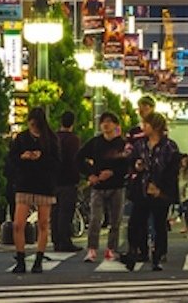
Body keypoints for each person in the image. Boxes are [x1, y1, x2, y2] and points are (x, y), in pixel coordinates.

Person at [123, 110, 180, 270]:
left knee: (159, 224)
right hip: (141, 189)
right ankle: (134, 251)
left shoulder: (169, 146)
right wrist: (136, 166)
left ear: (155, 126)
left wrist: (160, 188)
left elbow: (172, 170)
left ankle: (158, 255)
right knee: (135, 222)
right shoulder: (140, 144)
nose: (143, 127)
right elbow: (132, 161)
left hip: (160, 191)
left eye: (146, 124)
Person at [8, 107, 60, 273]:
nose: (32, 127)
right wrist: (23, 157)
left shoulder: (51, 139)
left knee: (43, 223)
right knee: (18, 224)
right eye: (30, 124)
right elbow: (11, 159)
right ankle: (21, 258)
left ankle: (38, 259)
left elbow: (57, 162)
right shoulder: (22, 138)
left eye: (35, 124)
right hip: (25, 183)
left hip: (44, 184)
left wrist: (41, 157)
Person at [79, 109, 128, 262]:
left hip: (117, 186)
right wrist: (89, 175)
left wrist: (113, 172)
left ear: (116, 125)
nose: (105, 125)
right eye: (103, 122)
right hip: (98, 186)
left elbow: (127, 164)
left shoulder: (122, 144)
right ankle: (92, 249)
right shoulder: (95, 143)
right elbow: (78, 158)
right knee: (95, 219)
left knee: (116, 220)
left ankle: (111, 249)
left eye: (109, 122)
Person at [52, 111, 82, 252]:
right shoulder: (73, 140)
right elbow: (74, 160)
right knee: (66, 212)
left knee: (55, 211)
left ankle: (56, 240)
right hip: (69, 180)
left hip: (54, 180)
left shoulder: (54, 138)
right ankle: (65, 240)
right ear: (73, 123)